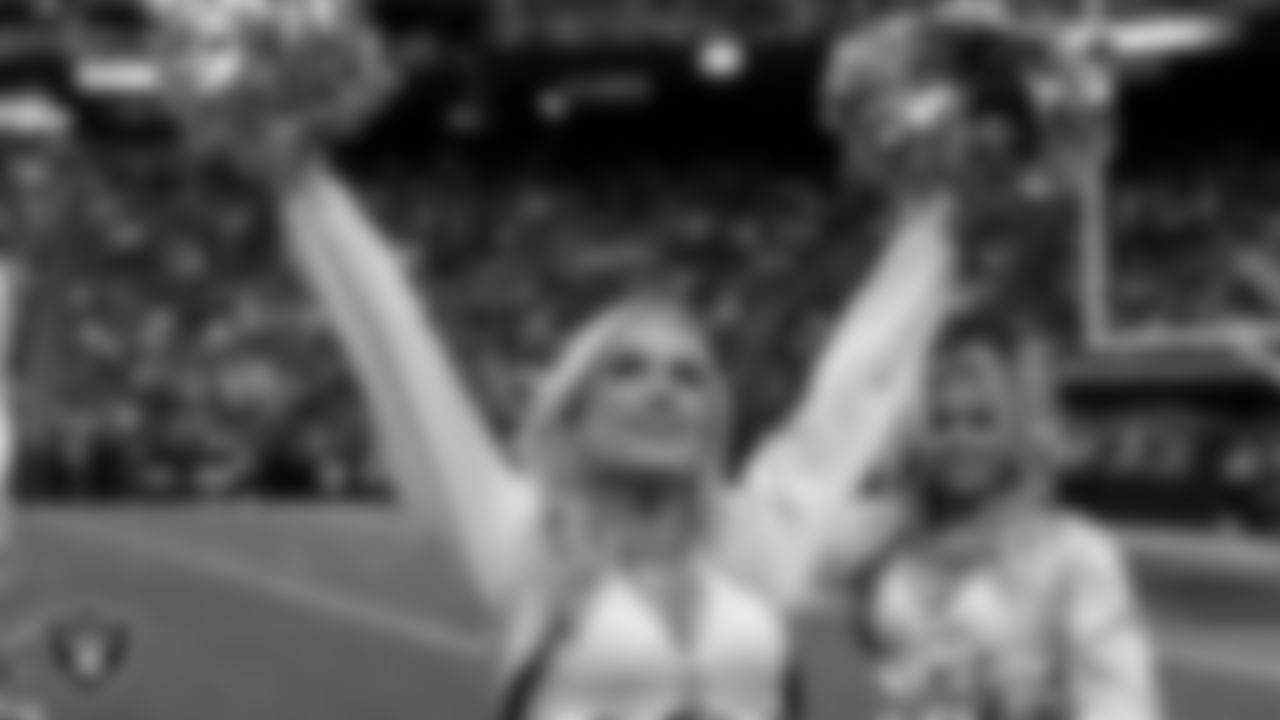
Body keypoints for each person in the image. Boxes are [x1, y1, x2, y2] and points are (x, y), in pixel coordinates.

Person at [845, 334, 1160, 720]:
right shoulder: (890, 542)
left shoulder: (1073, 552)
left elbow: (1120, 700)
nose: (959, 438)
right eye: (941, 421)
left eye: (981, 420)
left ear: (1015, 430)